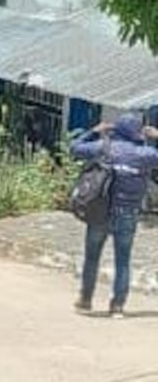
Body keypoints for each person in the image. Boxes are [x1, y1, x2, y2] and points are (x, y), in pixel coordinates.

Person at [71, 113, 158, 316]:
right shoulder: (145, 154)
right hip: (127, 213)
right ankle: (117, 305)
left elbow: (74, 148)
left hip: (99, 211)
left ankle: (85, 299)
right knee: (123, 260)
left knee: (92, 257)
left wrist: (94, 131)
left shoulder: (103, 147)